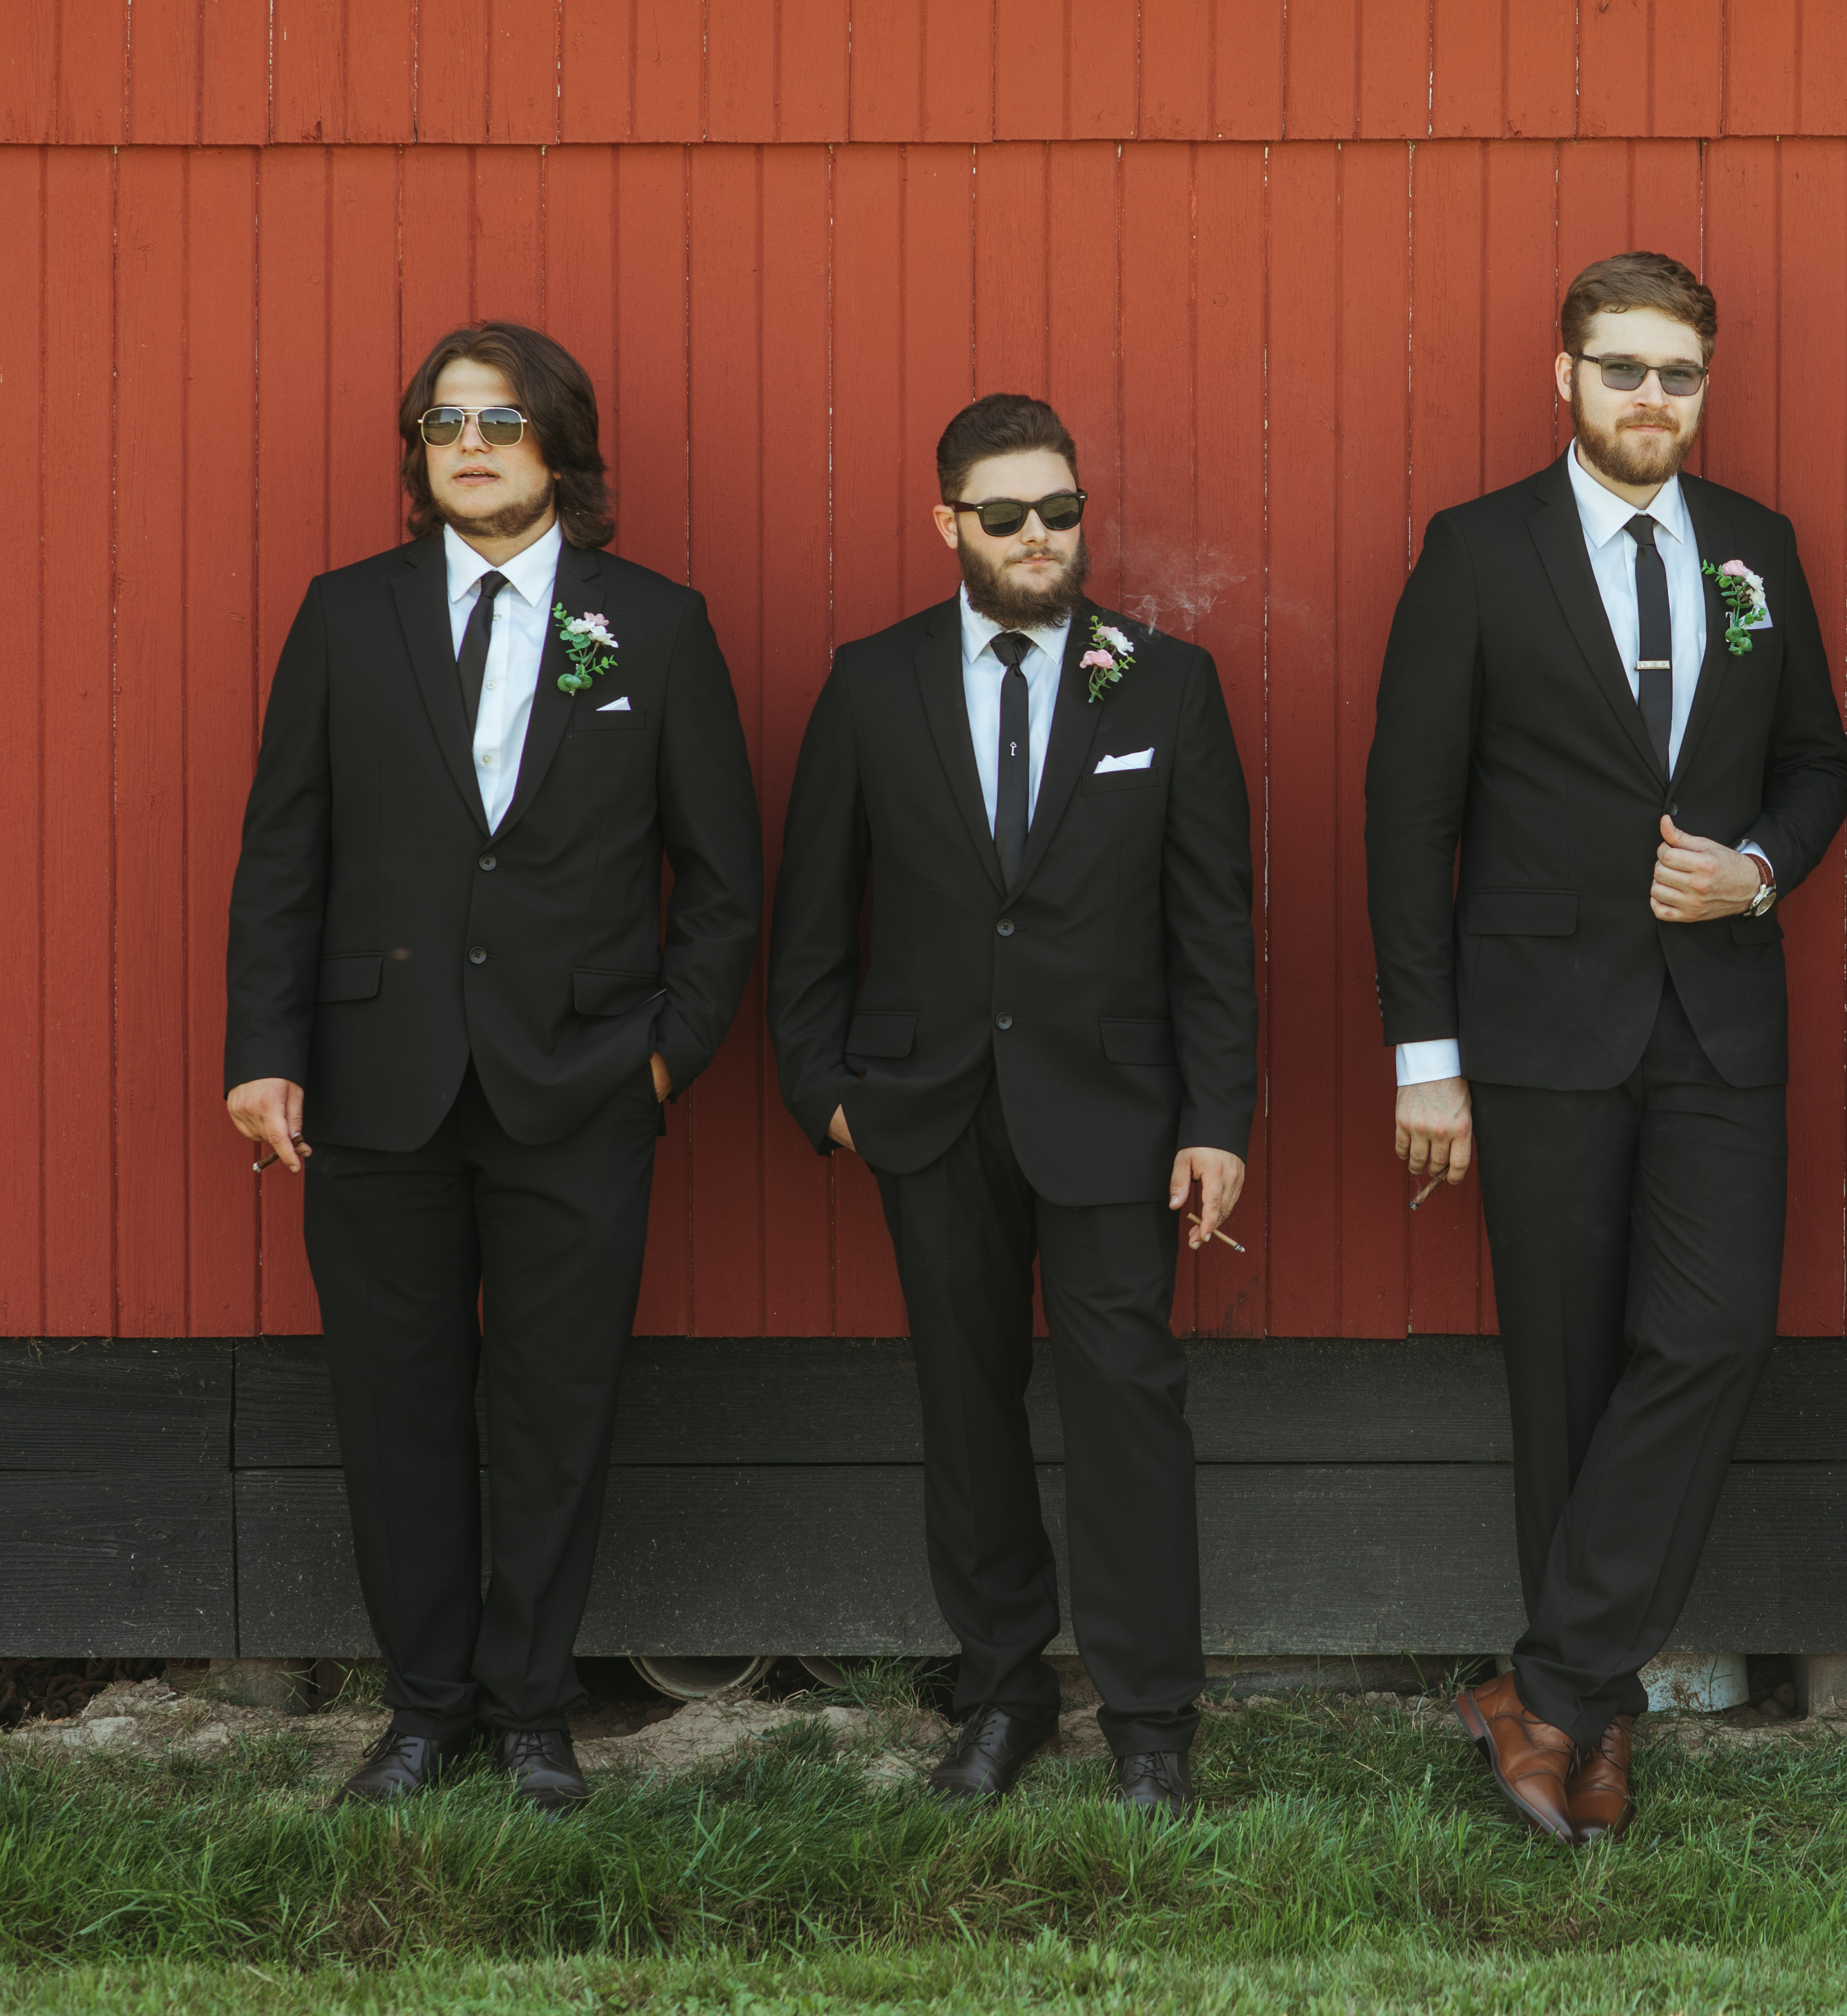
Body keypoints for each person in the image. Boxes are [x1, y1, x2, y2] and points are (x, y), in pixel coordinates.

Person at [223, 322, 765, 1813]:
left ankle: (532, 1711)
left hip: (582, 1091)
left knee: (554, 1413)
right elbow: (284, 856)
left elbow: (724, 883)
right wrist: (266, 1052)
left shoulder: (654, 628)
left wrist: (663, 1062)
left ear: (560, 447)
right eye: (445, 421)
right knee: (392, 1412)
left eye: (502, 420)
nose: (470, 444)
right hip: (374, 1087)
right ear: (419, 451)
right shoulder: (346, 617)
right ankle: (424, 1713)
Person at [1364, 252, 1847, 1844]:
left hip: (1719, 1017)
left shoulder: (1758, 548)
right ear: (1565, 376)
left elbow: (1819, 763)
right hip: (1536, 1026)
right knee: (1565, 1375)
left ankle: (1550, 1685)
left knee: (1714, 1336)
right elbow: (1408, 816)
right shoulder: (1477, 551)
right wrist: (1424, 1056)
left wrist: (1758, 869)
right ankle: (1598, 1715)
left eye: (1680, 373)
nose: (1654, 396)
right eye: (1625, 367)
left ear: (1706, 388)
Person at [769, 394, 1254, 1815]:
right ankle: (1001, 1692)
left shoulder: (1167, 685)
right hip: (927, 1110)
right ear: (950, 525)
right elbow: (813, 917)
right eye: (1005, 515)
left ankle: (1151, 1722)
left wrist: (1215, 1119)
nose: (1038, 535)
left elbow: (1214, 931)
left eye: (1060, 511)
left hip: (1116, 1113)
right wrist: (825, 1093)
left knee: (1130, 1409)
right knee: (965, 1405)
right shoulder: (872, 685)